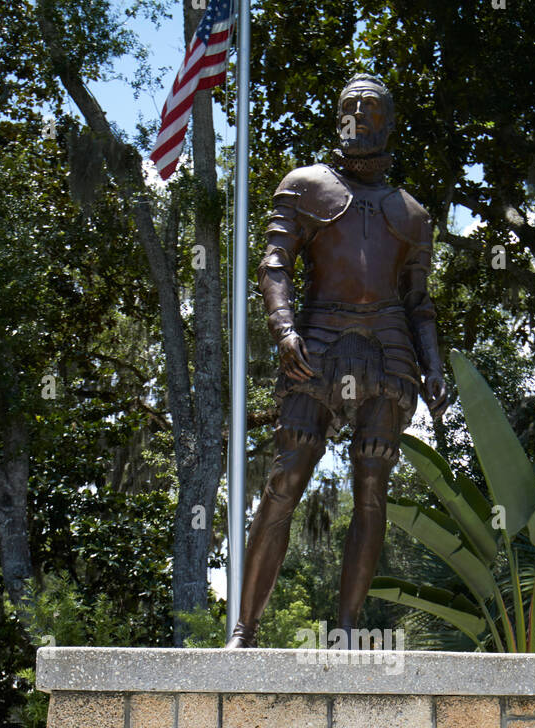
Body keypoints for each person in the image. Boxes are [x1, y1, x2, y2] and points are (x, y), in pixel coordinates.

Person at [226, 72, 447, 648]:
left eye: (372, 107)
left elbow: (419, 303)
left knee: (372, 483)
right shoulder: (303, 186)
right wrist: (283, 328)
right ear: (338, 118)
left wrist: (435, 366)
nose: (360, 114)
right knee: (287, 474)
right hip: (319, 338)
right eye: (350, 105)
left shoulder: (413, 214)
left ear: (389, 121)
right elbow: (276, 265)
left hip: (390, 349)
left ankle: (347, 630)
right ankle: (244, 628)